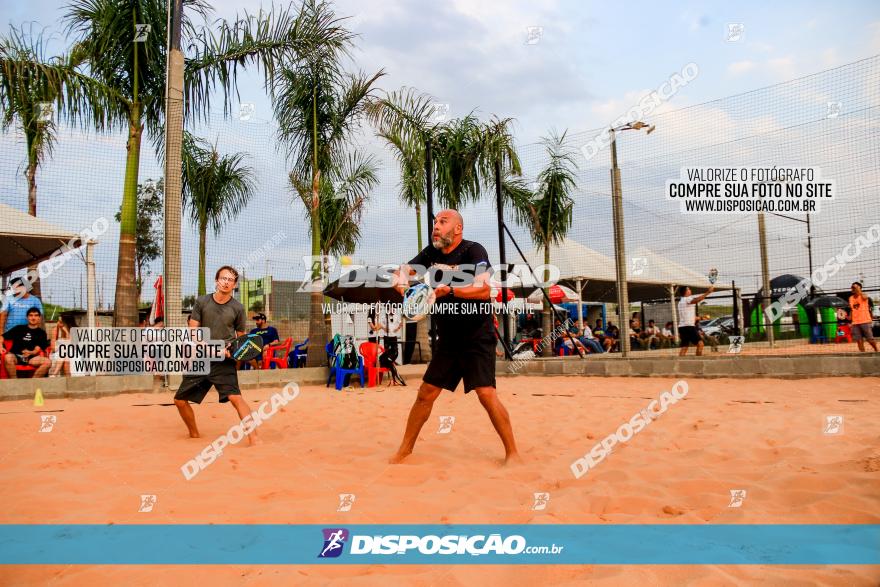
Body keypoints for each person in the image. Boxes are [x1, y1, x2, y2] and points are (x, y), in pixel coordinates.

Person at [390, 209, 520, 464]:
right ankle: (404, 450)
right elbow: (402, 272)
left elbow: (483, 290)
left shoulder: (474, 251)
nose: (436, 226)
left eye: (442, 222)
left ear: (458, 229)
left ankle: (512, 453)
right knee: (426, 393)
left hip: (477, 336)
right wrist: (402, 283)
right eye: (435, 222)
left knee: (486, 394)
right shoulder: (431, 253)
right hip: (448, 340)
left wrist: (451, 290)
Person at [173, 266, 260, 445]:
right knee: (180, 400)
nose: (226, 282)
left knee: (236, 398)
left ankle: (254, 439)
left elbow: (241, 337)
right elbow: (193, 332)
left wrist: (238, 353)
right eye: (223, 278)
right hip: (201, 358)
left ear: (234, 285)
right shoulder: (202, 302)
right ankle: (194, 434)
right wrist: (209, 349)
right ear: (216, 280)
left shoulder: (238, 308)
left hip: (224, 361)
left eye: (230, 280)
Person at [3, 307, 50, 378]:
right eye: (31, 315)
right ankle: (14, 383)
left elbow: (37, 348)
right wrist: (0, 346)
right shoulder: (19, 328)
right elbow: (2, 337)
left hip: (31, 358)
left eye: (36, 315)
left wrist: (30, 352)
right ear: (27, 317)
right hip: (16, 356)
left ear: (39, 318)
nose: (33, 318)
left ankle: (32, 384)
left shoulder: (42, 333)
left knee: (47, 362)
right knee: (7, 357)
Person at [0, 277, 44, 347]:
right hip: (10, 335)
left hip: (28, 336)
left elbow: (39, 318)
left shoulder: (35, 300)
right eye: (13, 288)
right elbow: (3, 315)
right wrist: (1, 334)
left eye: (16, 288)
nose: (14, 290)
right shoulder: (9, 299)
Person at [677, 285, 715, 356]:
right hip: (689, 327)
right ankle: (698, 360)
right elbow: (696, 300)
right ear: (685, 292)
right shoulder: (687, 299)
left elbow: (690, 317)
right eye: (689, 289)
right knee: (700, 344)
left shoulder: (681, 302)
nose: (690, 290)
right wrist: (708, 292)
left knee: (684, 347)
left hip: (682, 327)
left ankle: (680, 364)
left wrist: (701, 318)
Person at [849, 281, 877, 352]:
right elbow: (852, 309)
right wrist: (850, 317)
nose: (852, 288)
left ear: (859, 288)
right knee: (859, 340)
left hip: (865, 321)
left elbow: (865, 297)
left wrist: (859, 291)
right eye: (852, 287)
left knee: (870, 339)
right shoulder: (851, 298)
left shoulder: (863, 295)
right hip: (855, 322)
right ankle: (862, 354)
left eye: (854, 287)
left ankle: (876, 350)